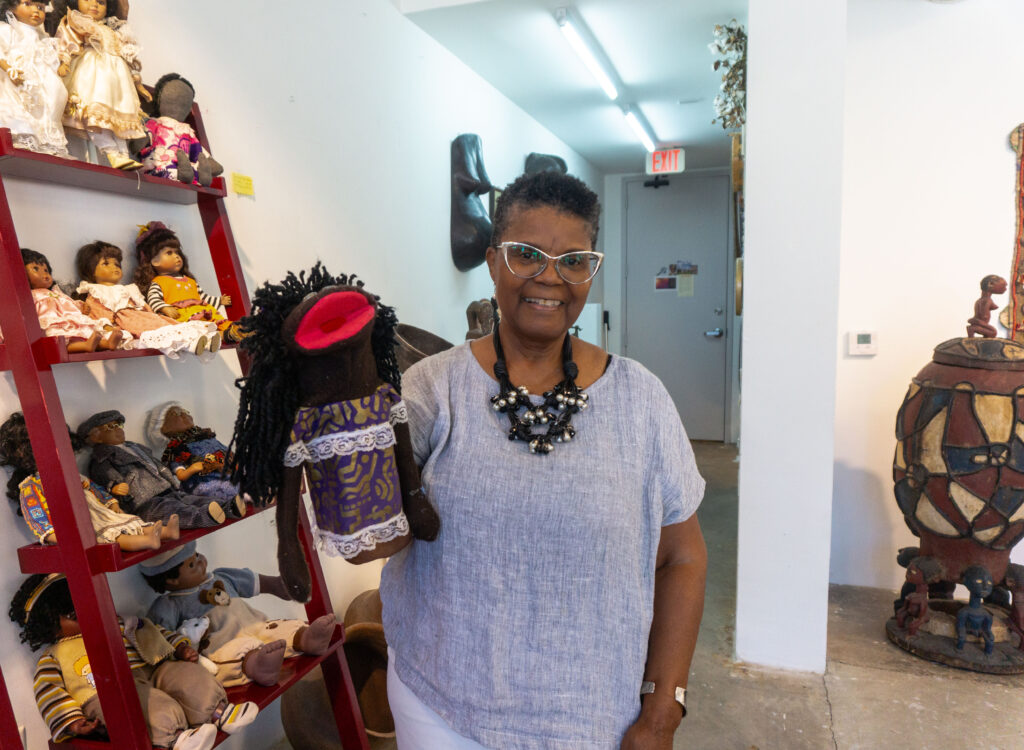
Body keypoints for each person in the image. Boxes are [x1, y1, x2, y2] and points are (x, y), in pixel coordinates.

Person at [379, 170, 708, 749]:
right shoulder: (432, 388)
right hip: (443, 703)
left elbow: (682, 556)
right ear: (492, 261)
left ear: (590, 269)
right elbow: (377, 540)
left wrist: (663, 709)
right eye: (526, 254)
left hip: (594, 711)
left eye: (574, 260)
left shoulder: (640, 399)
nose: (549, 278)